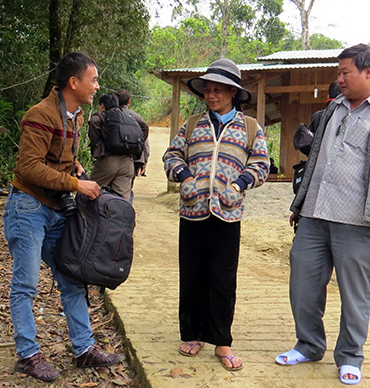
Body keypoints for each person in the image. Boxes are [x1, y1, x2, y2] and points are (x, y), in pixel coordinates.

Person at [275, 44, 370, 385]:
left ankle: (350, 355)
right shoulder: (332, 111)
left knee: (354, 291)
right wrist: (300, 203)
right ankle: (309, 345)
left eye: (345, 72)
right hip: (314, 213)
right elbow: (314, 162)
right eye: (338, 72)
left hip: (357, 219)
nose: (339, 78)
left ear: (368, 72)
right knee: (303, 281)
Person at [3, 53, 125, 382]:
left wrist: (76, 168)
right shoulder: (40, 114)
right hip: (27, 209)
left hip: (56, 208)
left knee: (72, 277)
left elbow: (58, 158)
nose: (97, 85)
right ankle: (28, 356)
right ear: (74, 82)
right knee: (25, 285)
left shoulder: (77, 115)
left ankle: (83, 350)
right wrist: (75, 183)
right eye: (93, 79)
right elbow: (29, 167)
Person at [163, 58, 270, 371]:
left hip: (227, 214)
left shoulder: (250, 128)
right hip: (192, 211)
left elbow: (261, 164)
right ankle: (193, 333)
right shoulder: (192, 125)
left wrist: (240, 183)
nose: (211, 95)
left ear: (233, 92)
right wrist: (184, 177)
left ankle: (222, 341)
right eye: (208, 90)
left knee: (223, 279)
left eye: (219, 90)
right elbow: (172, 154)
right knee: (192, 274)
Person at [88, 93, 149, 200]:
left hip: (108, 160)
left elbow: (93, 122)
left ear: (102, 105)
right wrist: (138, 144)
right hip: (127, 163)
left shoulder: (102, 115)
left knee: (90, 193)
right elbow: (144, 126)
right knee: (121, 200)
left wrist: (98, 145)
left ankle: (89, 216)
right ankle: (120, 216)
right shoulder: (129, 116)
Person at [116, 89, 150, 204]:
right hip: (134, 159)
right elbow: (145, 143)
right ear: (129, 101)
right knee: (127, 188)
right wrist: (144, 161)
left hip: (113, 157)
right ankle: (126, 211)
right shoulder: (136, 117)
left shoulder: (110, 116)